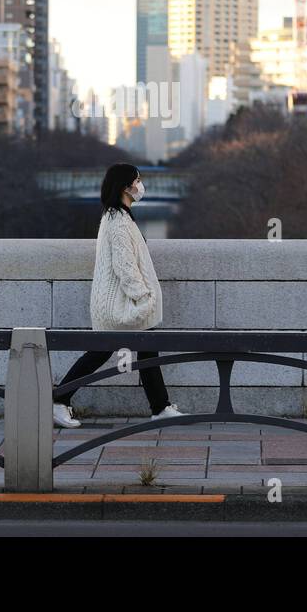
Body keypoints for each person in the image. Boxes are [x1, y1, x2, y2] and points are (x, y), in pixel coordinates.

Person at [52, 162, 184, 428]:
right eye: (137, 180)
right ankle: (58, 400)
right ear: (126, 187)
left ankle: (160, 406)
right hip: (120, 303)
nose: (140, 185)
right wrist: (143, 296)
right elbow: (125, 266)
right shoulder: (119, 222)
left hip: (114, 302)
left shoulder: (117, 216)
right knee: (101, 352)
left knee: (144, 349)